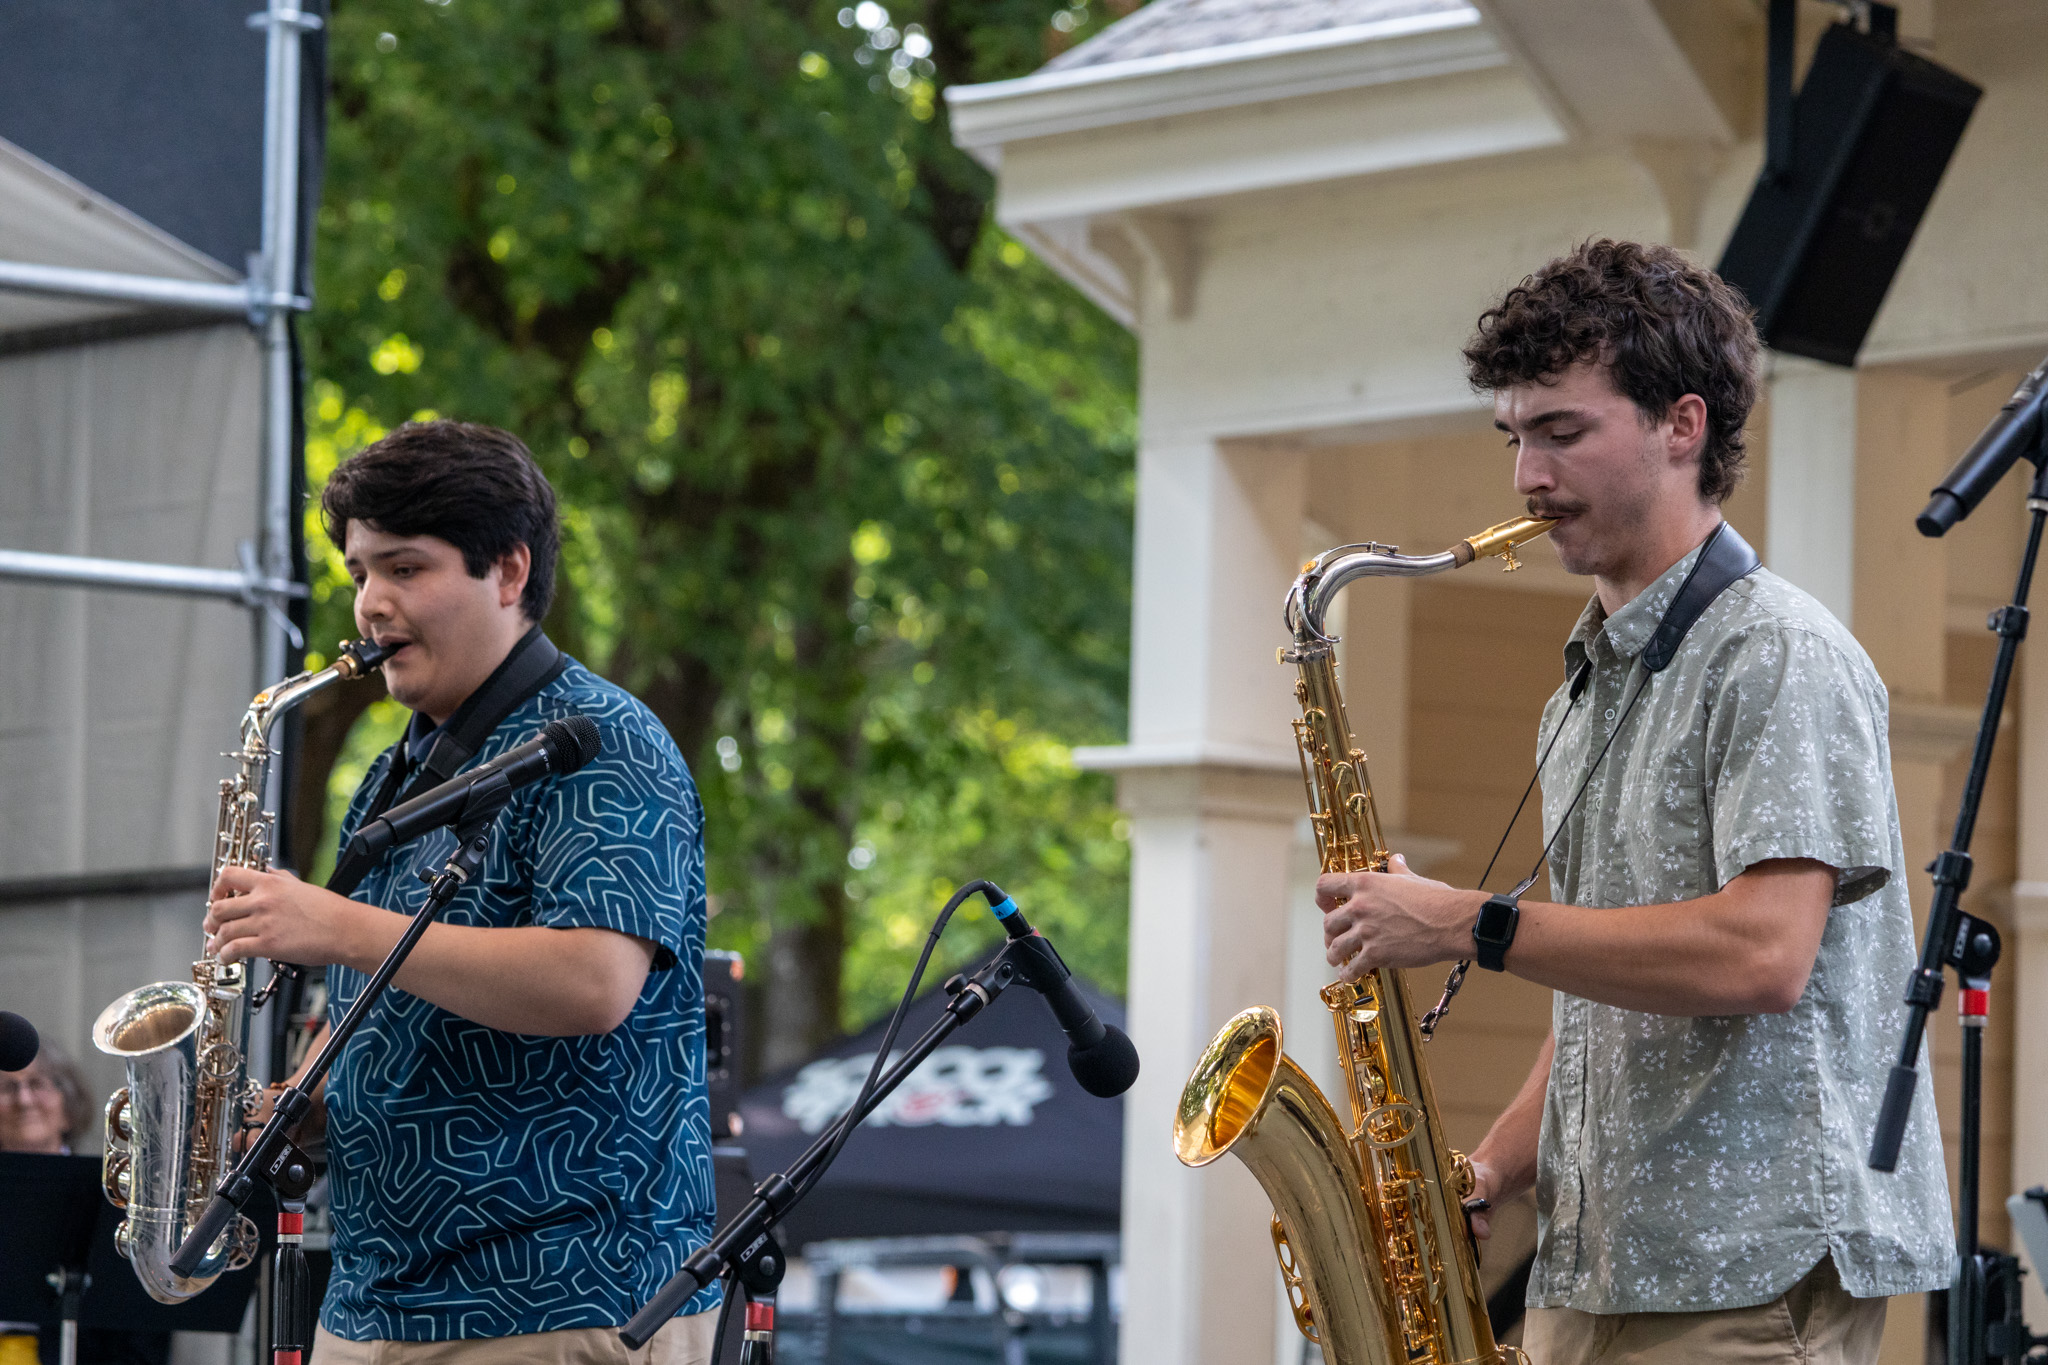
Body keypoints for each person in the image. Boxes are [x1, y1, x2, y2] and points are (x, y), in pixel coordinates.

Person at [1316, 240, 1952, 1362]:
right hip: (1596, 1266)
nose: (1523, 476)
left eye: (1561, 432)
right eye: (1513, 436)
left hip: (1748, 1272)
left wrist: (1468, 923)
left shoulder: (1775, 653)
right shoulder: (1580, 689)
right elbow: (1604, 1005)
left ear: (1680, 425)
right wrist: (1488, 1171)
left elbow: (1762, 955)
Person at [202, 421, 719, 1364]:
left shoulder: (607, 740)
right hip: (374, 1302)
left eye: (404, 568)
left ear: (509, 572)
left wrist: (339, 925)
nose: (370, 604)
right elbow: (399, 1000)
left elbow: (593, 982)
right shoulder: (397, 770)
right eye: (360, 573)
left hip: (560, 1300)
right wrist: (306, 1105)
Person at [0, 1044, 86, 1153]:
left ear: (68, 1109)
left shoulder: (101, 1170)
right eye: (7, 1088)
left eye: (37, 1085)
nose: (24, 1100)